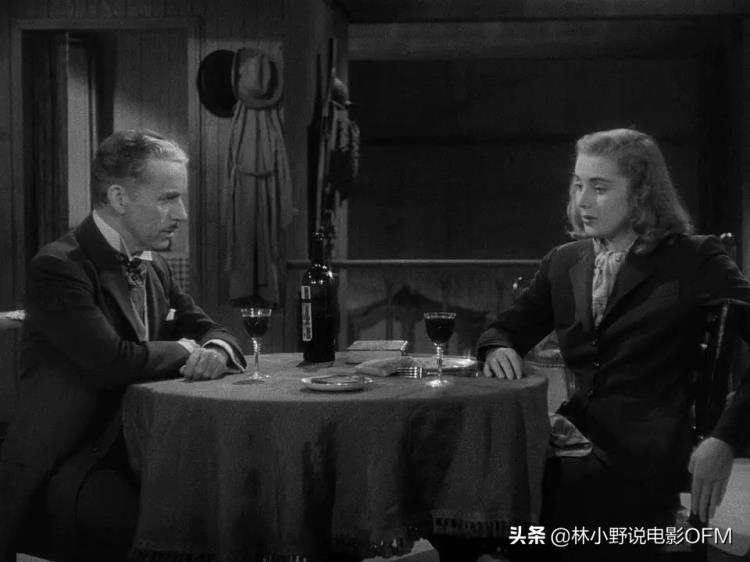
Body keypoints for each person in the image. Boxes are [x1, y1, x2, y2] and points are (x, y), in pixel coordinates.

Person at [477, 128, 750, 561]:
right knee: (469, 482)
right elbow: (506, 328)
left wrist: (724, 440)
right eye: (577, 185)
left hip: (647, 456)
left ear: (641, 194)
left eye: (600, 188)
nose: (583, 201)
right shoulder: (564, 261)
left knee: (505, 511)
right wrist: (498, 347)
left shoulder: (693, 259)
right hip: (575, 439)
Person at [0, 130, 247, 562]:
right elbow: (113, 361)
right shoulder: (59, 266)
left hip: (142, 447)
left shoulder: (155, 265)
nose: (182, 214)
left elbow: (213, 329)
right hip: (73, 458)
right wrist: (187, 349)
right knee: (173, 533)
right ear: (118, 198)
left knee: (233, 508)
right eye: (168, 199)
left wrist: (217, 351)